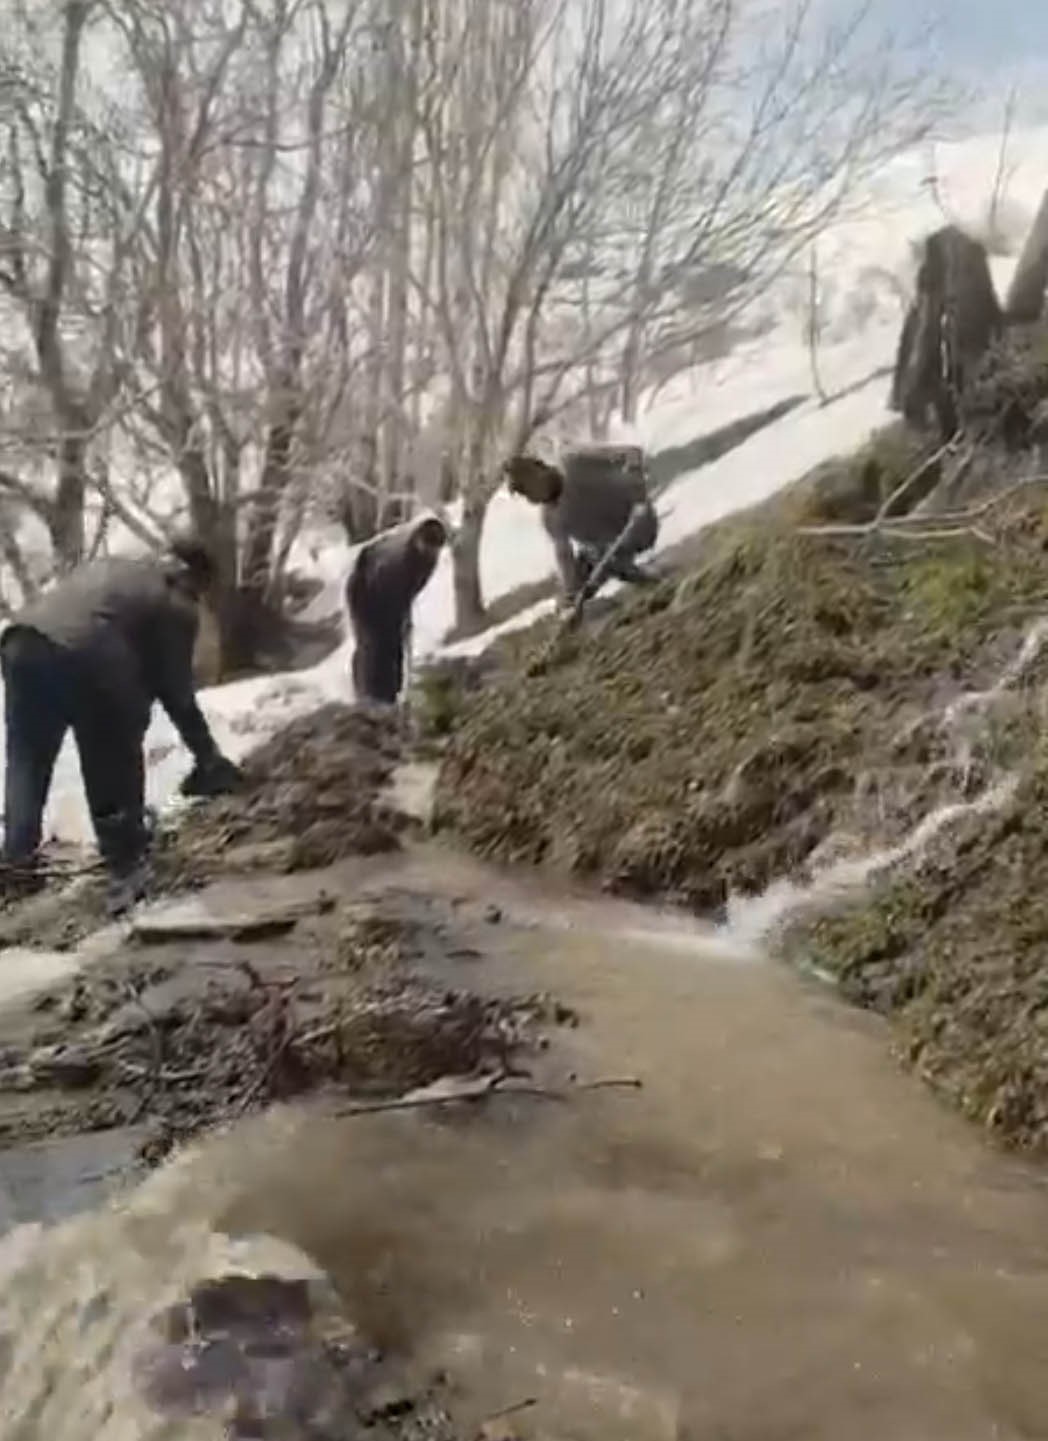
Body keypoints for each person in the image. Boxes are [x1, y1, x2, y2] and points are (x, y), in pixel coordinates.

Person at [1, 534, 243, 914]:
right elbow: (175, 690)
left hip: (22, 644)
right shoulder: (175, 600)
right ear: (197, 579)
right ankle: (127, 868)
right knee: (113, 755)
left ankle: (15, 864)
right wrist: (208, 758)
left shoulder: (114, 568)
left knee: (27, 761)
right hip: (87, 650)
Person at [503, 445, 658, 602]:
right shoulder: (551, 517)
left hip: (638, 522)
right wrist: (571, 592)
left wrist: (638, 492)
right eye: (524, 493)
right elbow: (564, 556)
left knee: (603, 557)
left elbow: (632, 453)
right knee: (584, 573)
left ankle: (646, 575)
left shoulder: (574, 462)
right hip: (610, 550)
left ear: (540, 469)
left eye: (529, 485)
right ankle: (645, 576)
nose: (531, 497)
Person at [346, 514, 448, 706]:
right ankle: (369, 694)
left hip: (387, 591)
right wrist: (402, 618)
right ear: (419, 541)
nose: (433, 553)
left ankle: (391, 692)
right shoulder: (398, 560)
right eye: (429, 548)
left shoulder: (427, 557)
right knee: (374, 643)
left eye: (436, 549)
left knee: (393, 643)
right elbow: (394, 595)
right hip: (364, 589)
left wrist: (403, 619)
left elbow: (410, 590)